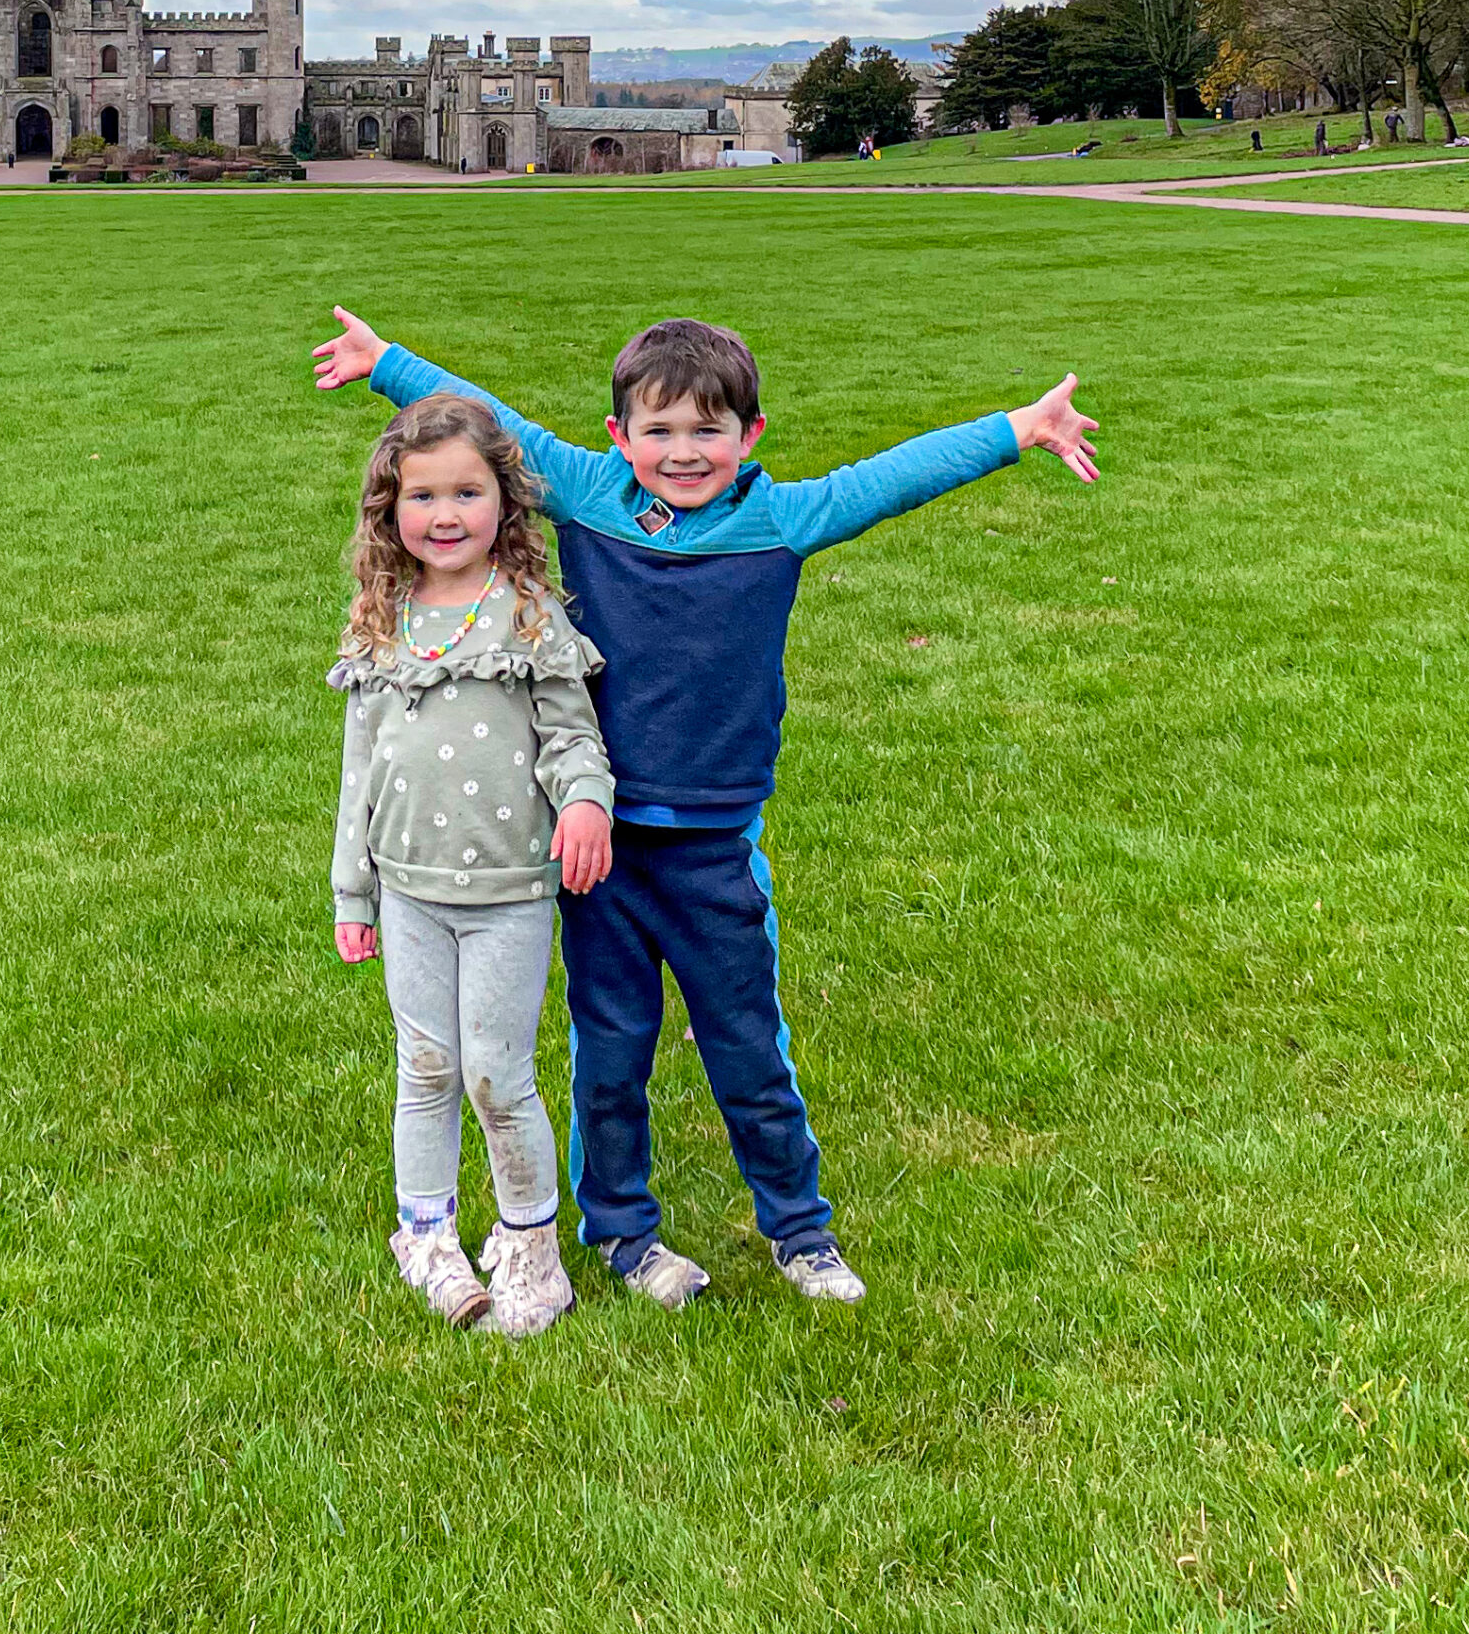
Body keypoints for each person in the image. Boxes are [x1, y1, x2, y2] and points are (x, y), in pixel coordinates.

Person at [314, 310, 1097, 1311]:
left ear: (749, 438)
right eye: (659, 431)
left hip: (714, 851)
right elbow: (495, 433)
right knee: (609, 1052)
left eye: (707, 430)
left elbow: (891, 476)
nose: (682, 452)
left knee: (745, 1048)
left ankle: (799, 1231)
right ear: (617, 438)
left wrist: (1017, 429)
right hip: (592, 847)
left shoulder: (782, 516)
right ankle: (621, 1232)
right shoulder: (590, 495)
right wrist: (388, 365)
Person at [330, 391, 616, 1337]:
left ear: (505, 503)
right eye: (421, 496)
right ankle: (425, 1235)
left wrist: (584, 801)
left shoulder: (528, 617)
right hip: (407, 892)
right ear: (389, 510)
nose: (443, 515)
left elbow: (574, 742)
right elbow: (359, 773)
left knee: (497, 1074)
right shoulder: (380, 622)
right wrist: (353, 891)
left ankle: (532, 1254)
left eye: (466, 492)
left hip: (507, 894)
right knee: (424, 1066)